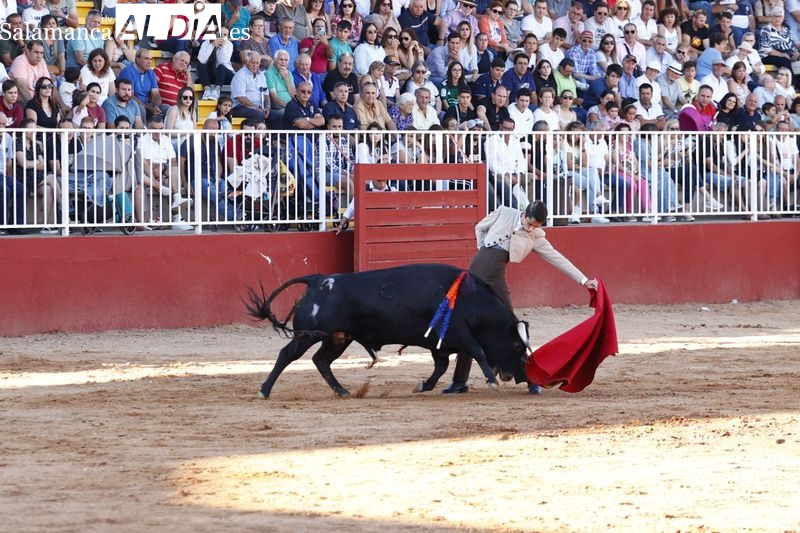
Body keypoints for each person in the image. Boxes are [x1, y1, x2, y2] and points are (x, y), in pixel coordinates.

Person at [441, 200, 598, 394]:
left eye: (535, 226)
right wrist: (482, 246)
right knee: (467, 324)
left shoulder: (536, 237)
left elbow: (558, 259)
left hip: (495, 277)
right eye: (529, 224)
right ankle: (459, 381)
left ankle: (530, 378)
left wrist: (583, 280)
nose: (530, 228)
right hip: (476, 271)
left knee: (510, 325)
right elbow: (480, 227)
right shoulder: (504, 212)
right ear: (523, 214)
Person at [119, 49, 163, 121]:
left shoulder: (150, 72)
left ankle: (160, 131)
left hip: (146, 104)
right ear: (138, 60)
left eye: (151, 59)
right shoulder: (128, 71)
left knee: (165, 107)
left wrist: (156, 106)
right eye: (146, 59)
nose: (149, 62)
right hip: (129, 104)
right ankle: (143, 131)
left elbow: (156, 94)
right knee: (141, 109)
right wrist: (149, 108)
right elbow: (130, 96)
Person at [231, 50, 271, 122]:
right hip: (240, 107)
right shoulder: (240, 75)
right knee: (259, 114)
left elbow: (266, 95)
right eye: (253, 63)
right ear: (247, 62)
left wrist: (268, 107)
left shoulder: (261, 75)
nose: (255, 65)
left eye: (257, 63)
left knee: (276, 115)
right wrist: (257, 108)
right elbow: (242, 99)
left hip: (258, 107)